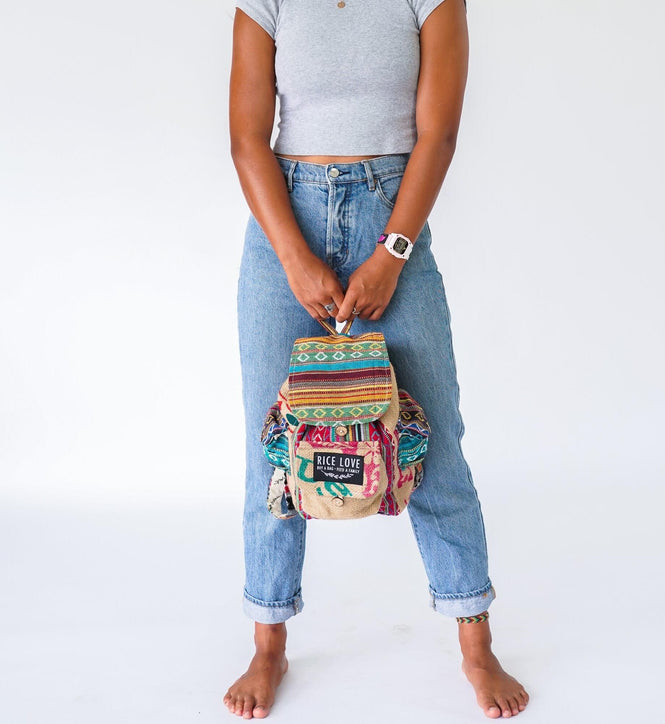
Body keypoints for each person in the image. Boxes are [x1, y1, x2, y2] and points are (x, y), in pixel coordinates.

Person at [223, 0, 529, 719]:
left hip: (391, 216)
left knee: (433, 439)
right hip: (283, 221)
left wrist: (392, 253)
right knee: (276, 444)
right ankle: (269, 642)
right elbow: (246, 138)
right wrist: (294, 259)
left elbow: (438, 133)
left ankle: (475, 641)